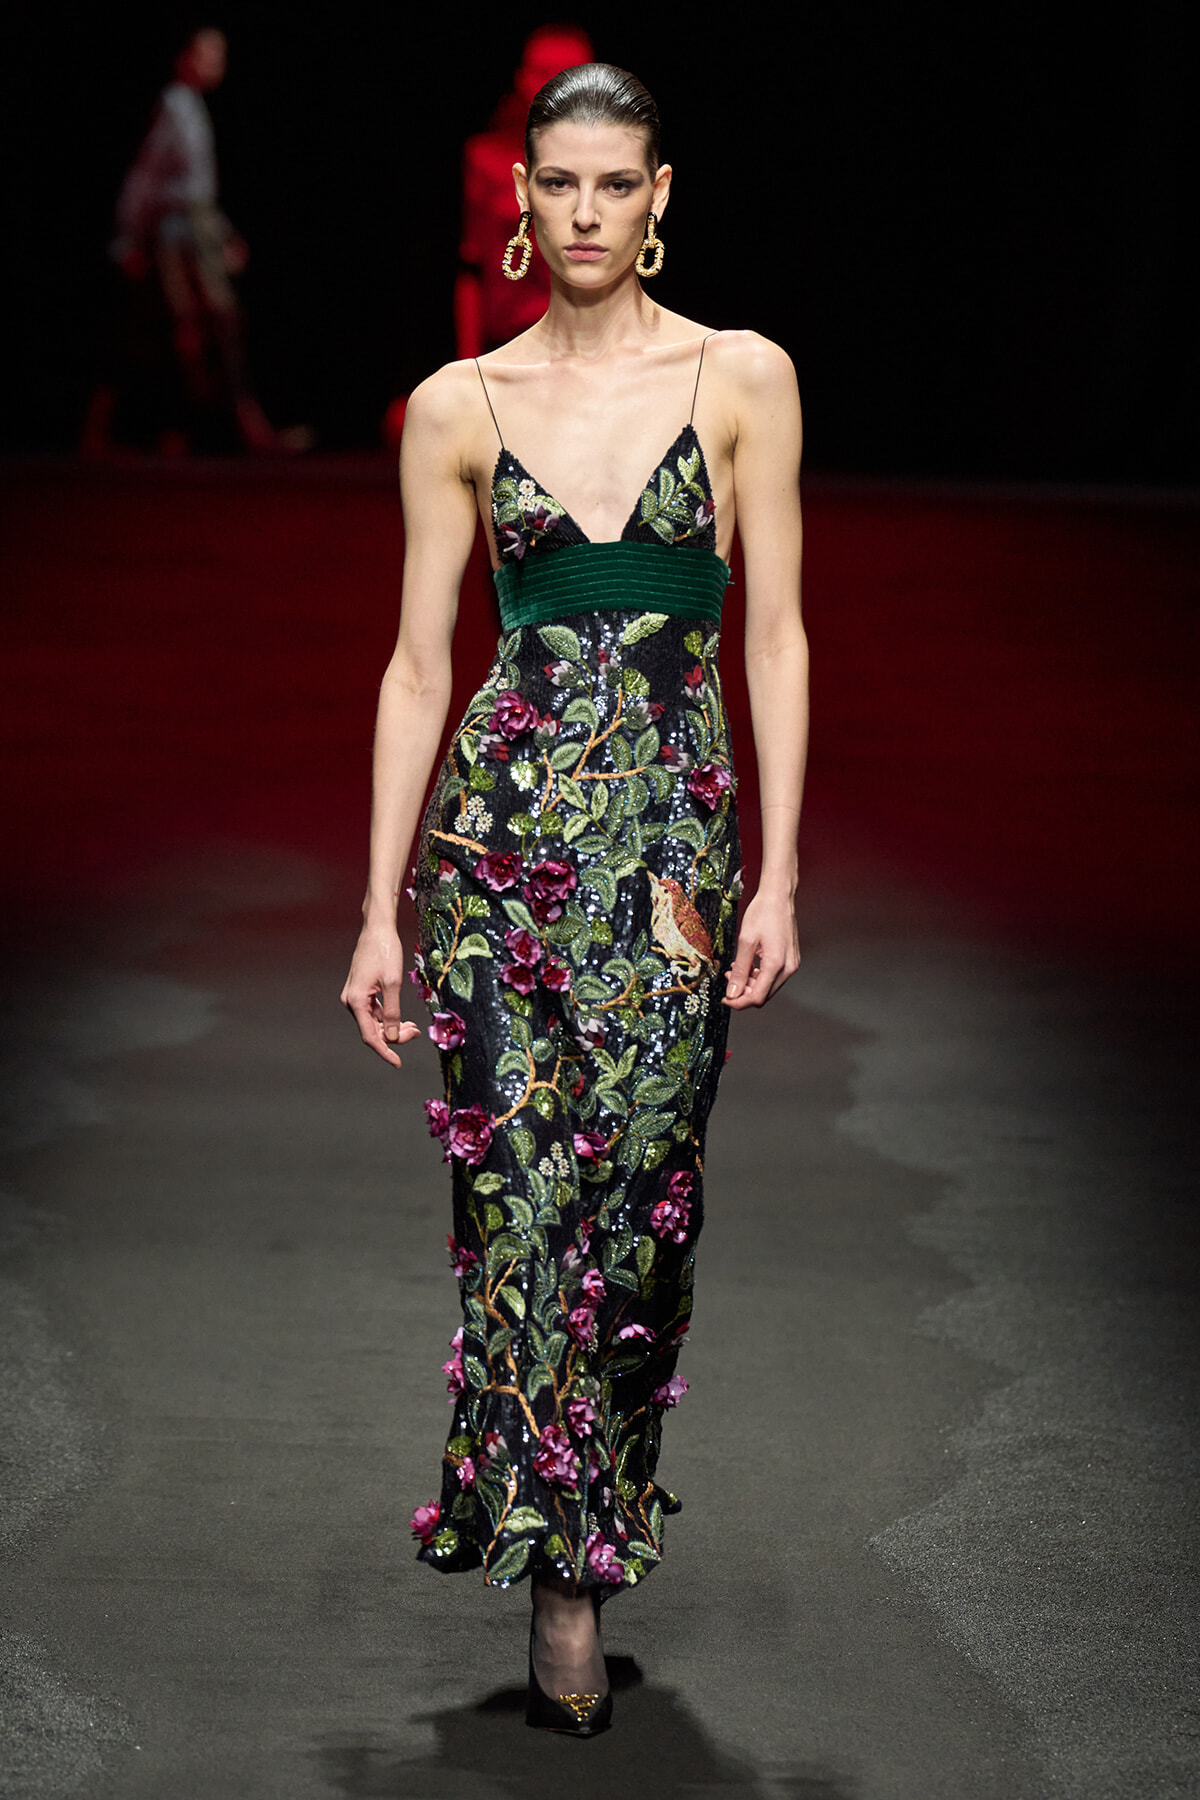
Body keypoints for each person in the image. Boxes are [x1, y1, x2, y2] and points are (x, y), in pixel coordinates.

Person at [341, 62, 808, 1738]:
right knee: (522, 1221)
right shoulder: (456, 404)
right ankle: (560, 1579)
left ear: (661, 194)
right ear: (521, 207)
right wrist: (383, 910)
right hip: (503, 870)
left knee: (647, 1216)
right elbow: (415, 668)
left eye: (619, 183)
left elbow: (775, 636)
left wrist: (782, 872)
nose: (591, 212)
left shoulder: (744, 377)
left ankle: (591, 1520)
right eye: (564, 187)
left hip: (677, 873)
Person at [85, 26, 294, 455]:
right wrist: (128, 239)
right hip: (178, 234)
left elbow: (195, 188)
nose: (217, 63)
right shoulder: (175, 107)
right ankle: (223, 427)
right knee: (195, 326)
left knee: (203, 326)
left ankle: (221, 427)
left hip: (193, 229)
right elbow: (149, 178)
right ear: (185, 58)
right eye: (207, 54)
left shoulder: (191, 108)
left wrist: (221, 234)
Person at [454, 23, 594, 359]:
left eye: (567, 75)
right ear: (521, 78)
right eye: (543, 73)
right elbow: (471, 270)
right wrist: (469, 362)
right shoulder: (485, 160)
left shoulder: (611, 163)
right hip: (507, 342)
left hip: (587, 342)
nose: (553, 88)